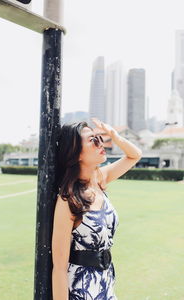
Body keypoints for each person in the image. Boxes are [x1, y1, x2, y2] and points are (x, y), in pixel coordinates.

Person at [52, 117, 142, 299]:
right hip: (82, 287)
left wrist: (114, 135)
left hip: (106, 280)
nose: (100, 143)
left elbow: (135, 155)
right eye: (93, 140)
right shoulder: (68, 199)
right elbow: (60, 267)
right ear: (76, 153)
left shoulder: (100, 179)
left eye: (99, 139)